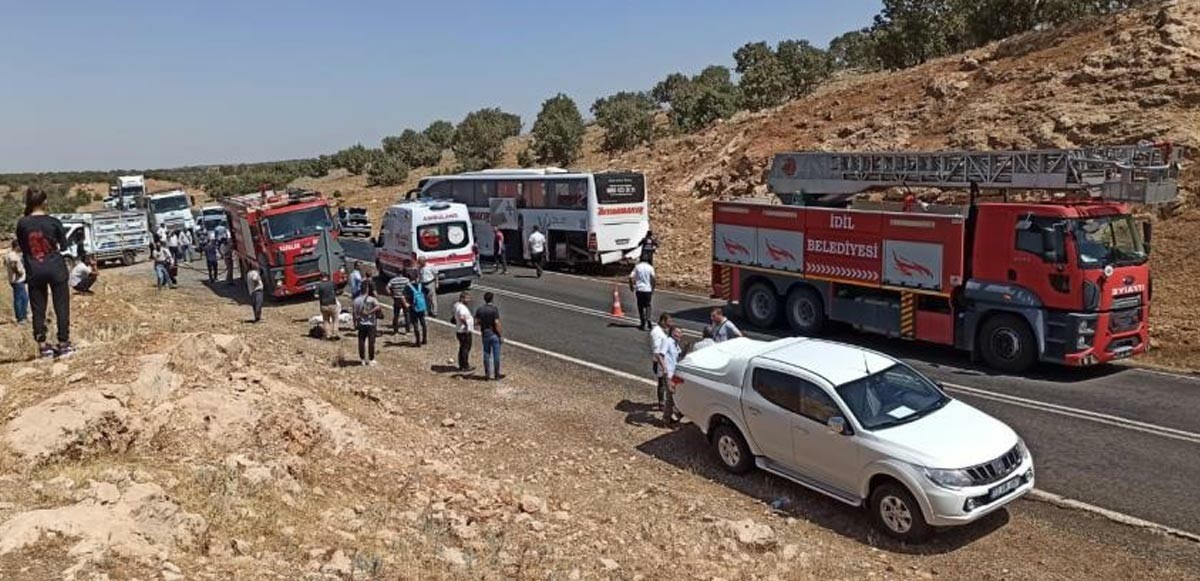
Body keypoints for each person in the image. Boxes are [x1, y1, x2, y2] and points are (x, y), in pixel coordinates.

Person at [15, 188, 72, 358]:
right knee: (61, 306)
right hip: (55, 267)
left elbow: (23, 247)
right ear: (44, 202)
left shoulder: (22, 223)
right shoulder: (53, 222)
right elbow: (64, 245)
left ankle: (42, 345)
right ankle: (63, 343)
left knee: (38, 308)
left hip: (34, 268)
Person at [658, 326, 684, 425]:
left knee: (676, 395)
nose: (680, 335)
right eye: (678, 332)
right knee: (670, 396)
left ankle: (670, 416)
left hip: (675, 373)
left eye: (681, 333)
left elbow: (679, 356)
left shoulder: (676, 344)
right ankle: (666, 420)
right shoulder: (667, 341)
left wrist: (685, 349)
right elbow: (660, 355)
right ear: (673, 333)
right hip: (668, 373)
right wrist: (664, 368)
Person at [352, 284, 382, 366]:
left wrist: (354, 323)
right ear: (367, 290)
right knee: (371, 342)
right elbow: (378, 307)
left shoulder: (356, 300)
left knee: (361, 341)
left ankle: (362, 359)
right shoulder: (372, 299)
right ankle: (371, 359)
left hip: (361, 323)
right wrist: (370, 312)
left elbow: (354, 313)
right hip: (371, 323)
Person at [475, 291, 502, 380]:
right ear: (492, 299)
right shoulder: (494, 309)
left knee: (486, 353)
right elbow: (497, 323)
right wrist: (500, 335)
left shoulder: (480, 309)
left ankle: (487, 374)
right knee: (496, 355)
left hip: (485, 333)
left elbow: (476, 322)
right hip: (494, 333)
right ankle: (497, 374)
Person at [650, 313, 672, 410]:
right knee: (662, 383)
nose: (670, 324)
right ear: (663, 321)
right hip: (660, 362)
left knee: (663, 383)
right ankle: (662, 404)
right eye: (668, 322)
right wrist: (663, 366)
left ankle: (663, 403)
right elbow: (657, 352)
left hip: (663, 361)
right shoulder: (657, 333)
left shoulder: (661, 331)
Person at [628, 256, 656, 331]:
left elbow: (630, 277)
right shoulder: (650, 267)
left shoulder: (637, 267)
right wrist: (653, 288)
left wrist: (631, 286)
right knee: (648, 305)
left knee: (640, 306)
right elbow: (653, 278)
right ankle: (648, 318)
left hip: (639, 289)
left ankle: (643, 322)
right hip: (647, 289)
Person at [5, 239, 28, 324]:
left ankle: (22, 316)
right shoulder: (13, 256)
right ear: (17, 246)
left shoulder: (10, 255)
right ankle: (21, 318)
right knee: (20, 299)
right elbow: (13, 265)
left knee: (23, 298)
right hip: (17, 280)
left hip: (16, 280)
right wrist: (19, 272)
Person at [314, 273, 340, 340]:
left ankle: (328, 335)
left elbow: (316, 295)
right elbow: (337, 291)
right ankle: (335, 333)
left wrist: (321, 297)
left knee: (326, 320)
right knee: (335, 320)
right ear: (327, 277)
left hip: (324, 305)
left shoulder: (319, 285)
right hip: (333, 304)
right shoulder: (332, 283)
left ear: (321, 278)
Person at [452, 291, 474, 371]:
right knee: (466, 348)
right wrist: (467, 326)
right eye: (467, 298)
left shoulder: (457, 305)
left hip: (459, 330)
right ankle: (465, 365)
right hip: (464, 331)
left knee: (462, 348)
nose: (469, 300)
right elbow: (462, 317)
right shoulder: (461, 307)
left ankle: (461, 365)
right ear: (462, 298)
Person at [404, 278, 428, 346]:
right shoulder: (420, 285)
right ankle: (424, 339)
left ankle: (418, 342)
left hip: (413, 307)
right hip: (421, 307)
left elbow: (406, 297)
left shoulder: (408, 287)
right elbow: (427, 292)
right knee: (423, 323)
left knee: (415, 324)